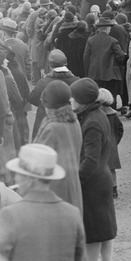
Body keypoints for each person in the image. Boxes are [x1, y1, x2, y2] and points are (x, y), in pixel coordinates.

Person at [70, 78, 118, 261]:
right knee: (105, 228)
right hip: (103, 177)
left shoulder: (90, 121)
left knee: (92, 231)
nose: (70, 100)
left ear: (82, 100)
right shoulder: (98, 115)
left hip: (92, 182)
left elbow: (89, 159)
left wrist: (76, 180)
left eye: (73, 97)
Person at [33, 80, 84, 215]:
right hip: (72, 183)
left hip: (54, 188)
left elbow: (38, 162)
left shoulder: (52, 127)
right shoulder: (74, 121)